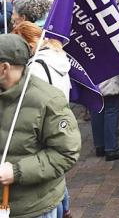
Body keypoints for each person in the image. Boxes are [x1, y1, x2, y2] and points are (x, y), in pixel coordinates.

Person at [0, 34, 81, 217]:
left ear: (4, 68)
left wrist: (16, 171)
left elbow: (66, 153)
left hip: (34, 208)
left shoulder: (48, 100)